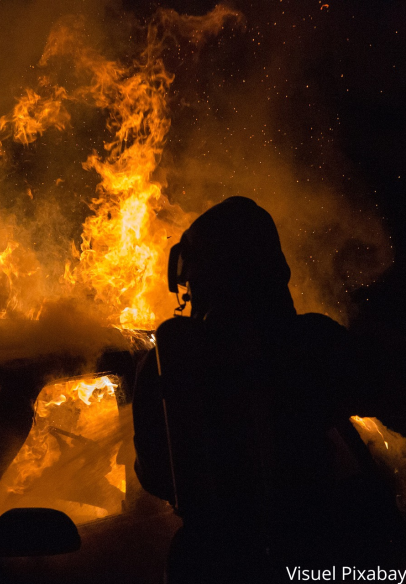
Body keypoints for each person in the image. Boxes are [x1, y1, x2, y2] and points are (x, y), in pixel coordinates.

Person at [132, 197, 406, 583]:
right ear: (274, 267)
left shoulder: (169, 361)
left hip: (215, 559)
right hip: (313, 546)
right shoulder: (313, 341)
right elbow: (391, 397)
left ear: (198, 277)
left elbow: (154, 475)